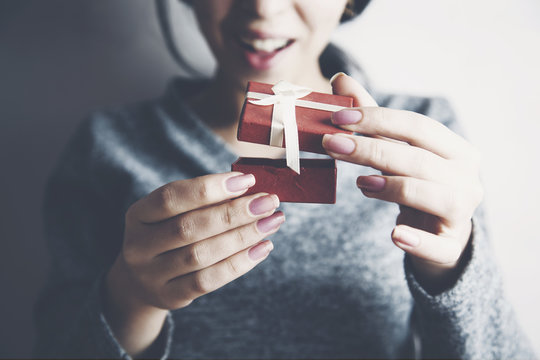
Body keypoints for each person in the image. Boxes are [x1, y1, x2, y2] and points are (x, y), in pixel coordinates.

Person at [34, 0, 535, 358]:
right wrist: (130, 299)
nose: (263, 9)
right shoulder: (109, 145)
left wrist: (454, 268)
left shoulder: (426, 138)